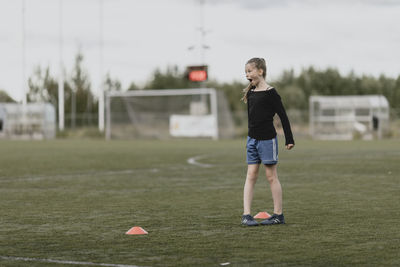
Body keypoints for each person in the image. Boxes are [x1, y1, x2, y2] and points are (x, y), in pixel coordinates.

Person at [241, 57, 295, 226]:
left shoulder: (271, 93)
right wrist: (250, 137)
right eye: (246, 72)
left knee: (271, 176)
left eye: (249, 71)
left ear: (260, 71)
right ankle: (246, 214)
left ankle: (278, 214)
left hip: (267, 140)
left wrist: (289, 138)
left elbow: (283, 116)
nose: (247, 75)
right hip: (252, 140)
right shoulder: (250, 93)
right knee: (251, 176)